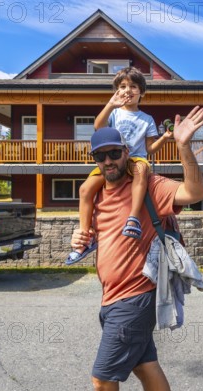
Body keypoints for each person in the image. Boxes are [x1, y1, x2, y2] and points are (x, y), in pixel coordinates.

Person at [70, 106, 203, 391]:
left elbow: (195, 193)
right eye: (100, 156)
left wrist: (183, 147)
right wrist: (79, 235)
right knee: (146, 366)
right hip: (110, 298)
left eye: (114, 154)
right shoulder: (96, 194)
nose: (108, 161)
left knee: (102, 379)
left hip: (134, 299)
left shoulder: (149, 186)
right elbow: (98, 237)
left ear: (125, 151)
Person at [66, 67, 172, 264]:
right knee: (85, 189)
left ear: (141, 92)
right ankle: (84, 236)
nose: (128, 90)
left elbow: (150, 149)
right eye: (123, 86)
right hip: (112, 159)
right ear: (116, 91)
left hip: (135, 158)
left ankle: (133, 218)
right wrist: (110, 105)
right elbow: (98, 126)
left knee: (141, 170)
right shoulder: (114, 113)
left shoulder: (147, 119)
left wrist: (165, 138)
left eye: (133, 86)